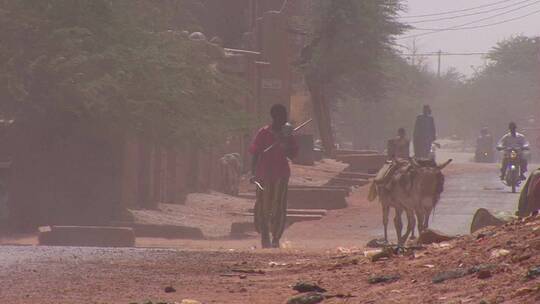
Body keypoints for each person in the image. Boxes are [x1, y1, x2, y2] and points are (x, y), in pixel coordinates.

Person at [249, 104, 298, 248]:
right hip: (263, 174)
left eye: (284, 117)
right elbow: (255, 153)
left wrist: (285, 144)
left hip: (281, 174)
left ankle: (276, 238)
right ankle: (264, 234)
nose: (282, 120)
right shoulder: (263, 133)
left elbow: (292, 154)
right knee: (262, 205)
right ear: (274, 117)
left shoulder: (288, 134)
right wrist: (253, 173)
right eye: (279, 117)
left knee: (279, 205)